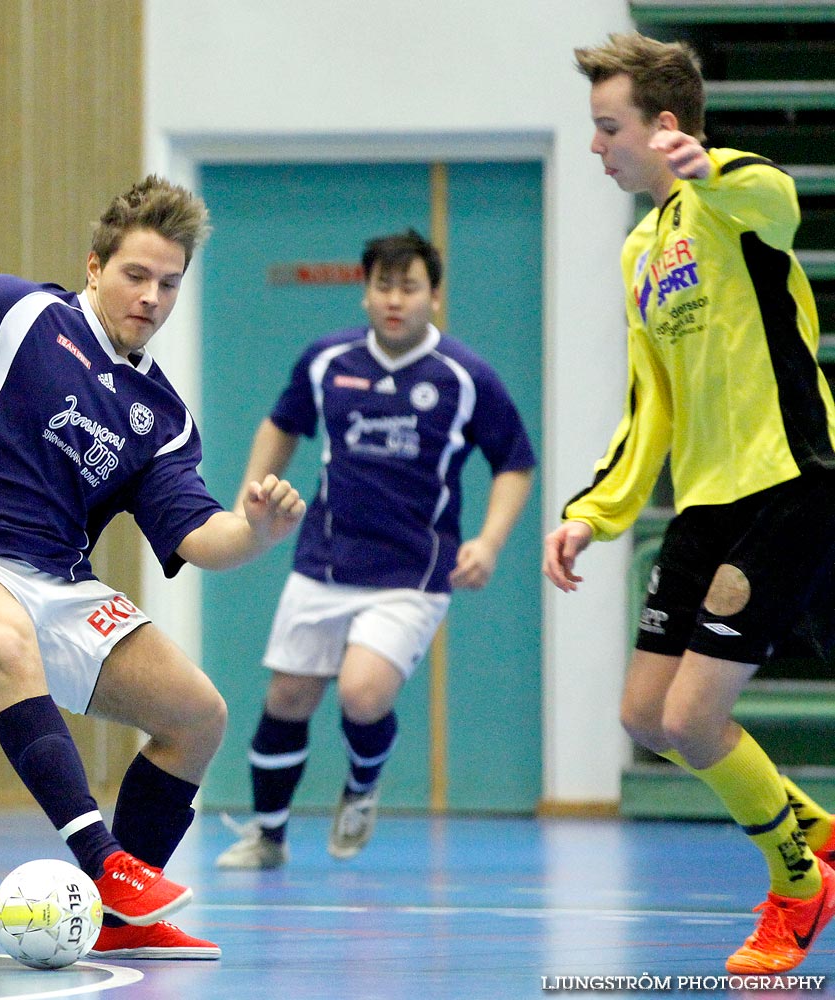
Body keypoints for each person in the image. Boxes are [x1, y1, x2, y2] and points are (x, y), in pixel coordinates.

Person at [0, 175, 305, 961]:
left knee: (197, 715)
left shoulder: (159, 418)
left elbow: (201, 537)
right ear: (94, 267)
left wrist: (256, 533)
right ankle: (105, 865)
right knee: (4, 636)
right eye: (135, 275)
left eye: (169, 283)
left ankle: (125, 920)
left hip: (56, 581)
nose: (151, 296)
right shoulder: (18, 312)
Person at [543, 32, 835, 975]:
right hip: (705, 503)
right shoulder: (638, 248)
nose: (596, 147)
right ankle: (814, 830)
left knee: (693, 719)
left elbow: (778, 201)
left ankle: (797, 884)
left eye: (606, 127)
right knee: (642, 715)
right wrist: (595, 511)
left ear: (662, 127)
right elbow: (649, 408)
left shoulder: (733, 199)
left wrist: (706, 168)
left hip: (789, 482)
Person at [215, 229, 535, 869]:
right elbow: (282, 424)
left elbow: (516, 462)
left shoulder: (465, 377)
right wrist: (246, 502)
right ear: (365, 294)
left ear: (434, 296)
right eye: (383, 286)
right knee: (287, 698)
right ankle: (269, 837)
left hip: (413, 573)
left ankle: (361, 788)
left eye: (410, 287)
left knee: (362, 693)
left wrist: (491, 543)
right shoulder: (326, 361)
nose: (395, 299)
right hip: (325, 560)